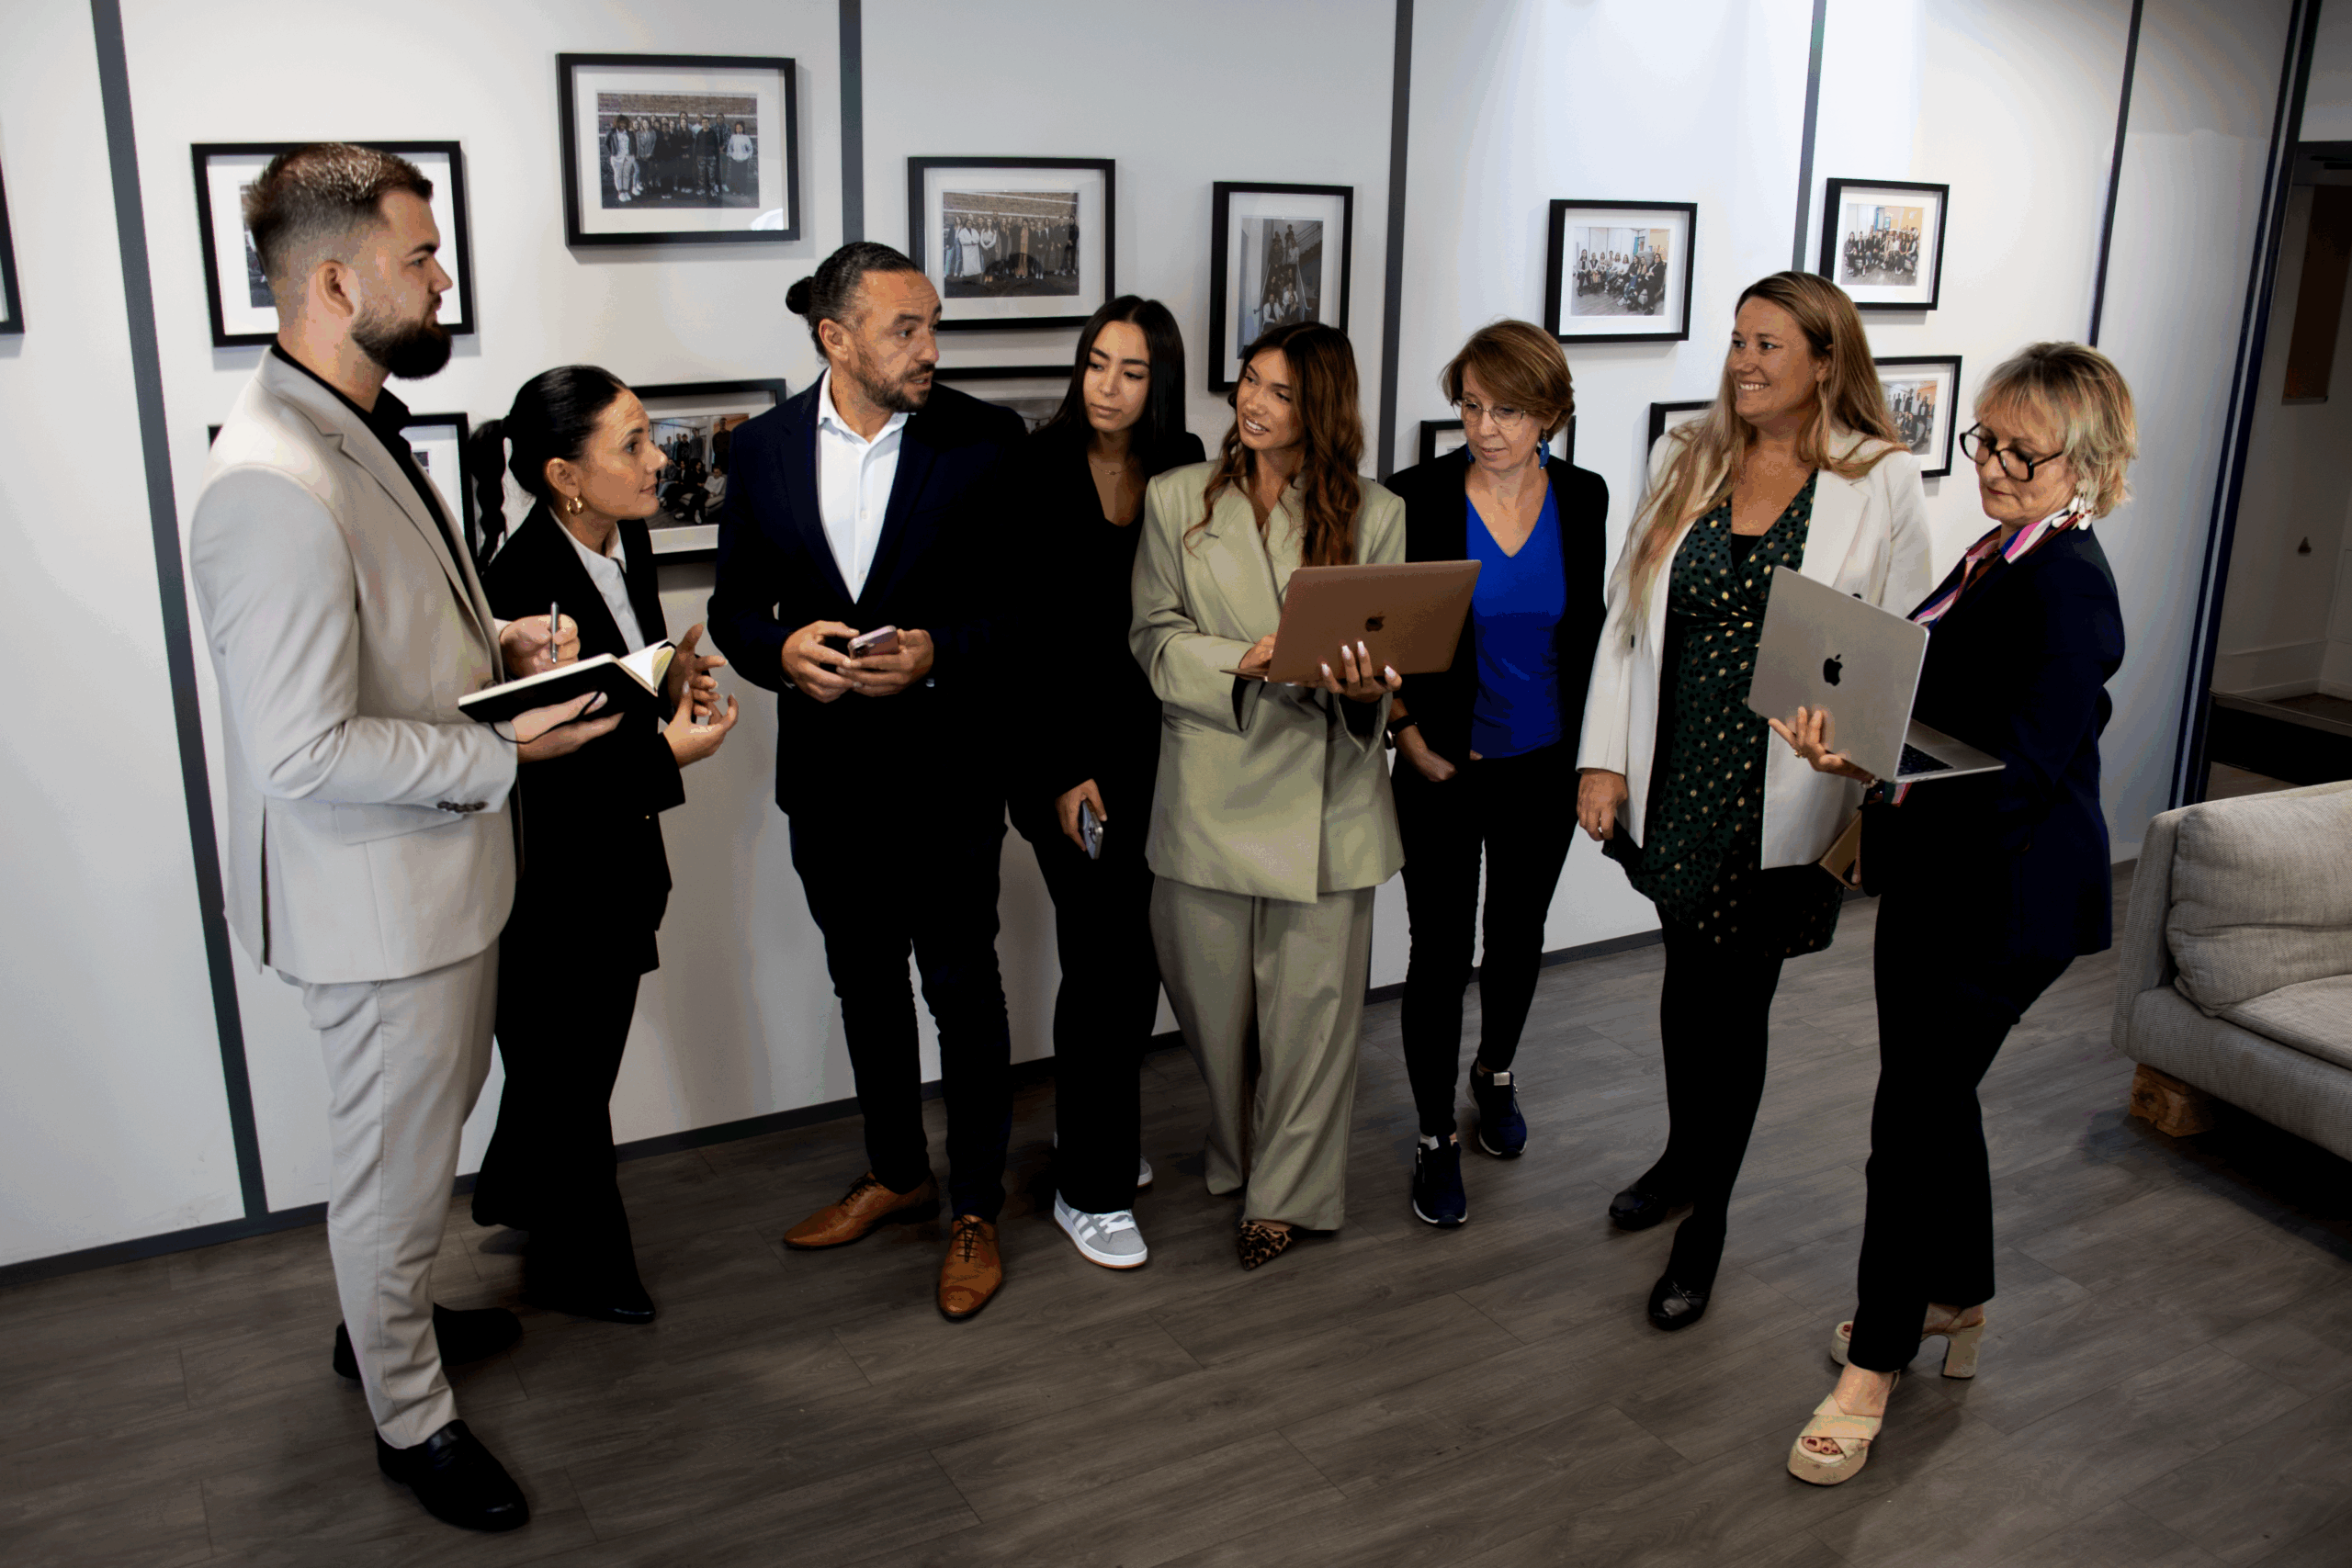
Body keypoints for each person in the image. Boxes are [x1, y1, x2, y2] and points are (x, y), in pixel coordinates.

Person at [188, 144, 616, 1533]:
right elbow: (303, 750)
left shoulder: (352, 420)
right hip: (374, 908)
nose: (444, 278)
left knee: (412, 1156)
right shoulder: (269, 477)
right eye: (420, 257)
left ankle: (383, 1326)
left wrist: (499, 643)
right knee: (393, 1173)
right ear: (332, 281)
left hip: (428, 887)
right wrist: (505, 750)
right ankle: (411, 1417)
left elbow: (387, 630)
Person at [1776, 344, 2134, 1484]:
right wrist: (1854, 740)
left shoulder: (2069, 583)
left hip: (2005, 898)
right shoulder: (1995, 555)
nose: (1993, 466)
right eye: (1987, 441)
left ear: (2086, 465)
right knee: (1934, 1099)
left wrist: (1887, 768)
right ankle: (1955, 1297)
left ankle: (1873, 1367)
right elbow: (1939, 710)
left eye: (2024, 453)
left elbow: (2022, 775)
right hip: (1942, 877)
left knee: (1908, 1122)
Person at [1576, 271, 1930, 1333]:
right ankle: (1683, 1158)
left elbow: (1902, 645)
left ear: (1825, 360)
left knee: (1736, 1008)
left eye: (1768, 345)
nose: (1743, 362)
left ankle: (1708, 1224)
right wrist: (1603, 761)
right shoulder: (1685, 455)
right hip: (1680, 771)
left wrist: (1860, 759)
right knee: (1687, 984)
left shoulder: (1879, 478)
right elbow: (1625, 623)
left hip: (1786, 786)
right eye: (1737, 341)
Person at [707, 242, 1025, 1320]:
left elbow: (1025, 613)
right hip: (829, 784)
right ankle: (897, 1174)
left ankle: (975, 1206)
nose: (931, 349)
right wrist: (780, 650)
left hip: (947, 780)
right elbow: (734, 610)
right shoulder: (760, 449)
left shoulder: (986, 439)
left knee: (962, 992)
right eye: (906, 329)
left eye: (934, 326)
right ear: (834, 338)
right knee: (866, 988)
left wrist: (939, 652)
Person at [1131, 321, 1407, 1272]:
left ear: (1320, 408)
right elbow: (1152, 635)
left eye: (1281, 392)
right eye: (1249, 380)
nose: (1253, 402)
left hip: (1327, 805)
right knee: (1214, 1018)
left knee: (1312, 1025)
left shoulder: (1376, 513)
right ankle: (1241, 1152)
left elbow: (1386, 658)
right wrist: (1238, 660)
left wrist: (1367, 690)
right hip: (1206, 790)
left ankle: (1285, 1198)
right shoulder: (1176, 498)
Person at [466, 367, 738, 1325]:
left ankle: (515, 1191)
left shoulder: (629, 540)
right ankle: (586, 1267)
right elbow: (541, 770)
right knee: (571, 1079)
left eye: (649, 435)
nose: (658, 458)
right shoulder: (518, 590)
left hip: (621, 864)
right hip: (553, 881)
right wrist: (670, 752)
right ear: (563, 477)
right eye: (632, 444)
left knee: (566, 1067)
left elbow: (619, 690)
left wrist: (673, 677)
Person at [1381, 321, 1607, 1227]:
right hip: (1442, 766)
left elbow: (1594, 636)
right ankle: (1434, 1135)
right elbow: (1376, 632)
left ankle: (1496, 1072)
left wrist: (1597, 757)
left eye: (1507, 410)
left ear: (1549, 412)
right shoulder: (1416, 498)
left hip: (1542, 766)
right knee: (1438, 952)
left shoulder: (1584, 498)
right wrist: (1405, 731)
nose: (1484, 427)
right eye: (1471, 406)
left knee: (1517, 936)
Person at [1004, 297, 1203, 1270]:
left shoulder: (1184, 464)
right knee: (1102, 964)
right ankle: (1088, 1190)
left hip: (1160, 754)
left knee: (1138, 960)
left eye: (1131, 370)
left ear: (1159, 382)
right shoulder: (1034, 466)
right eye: (1096, 363)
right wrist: (1059, 769)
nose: (1108, 387)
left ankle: (1098, 1131)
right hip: (1065, 764)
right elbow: (1020, 635)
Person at [606, 117, 635, 204]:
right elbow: (607, 143)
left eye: (625, 123)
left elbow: (634, 144)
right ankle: (620, 192)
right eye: (621, 123)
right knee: (618, 174)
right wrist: (613, 152)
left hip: (628, 157)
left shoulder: (630, 133)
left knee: (626, 174)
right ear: (617, 123)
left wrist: (633, 154)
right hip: (617, 158)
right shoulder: (612, 132)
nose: (623, 125)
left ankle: (625, 191)